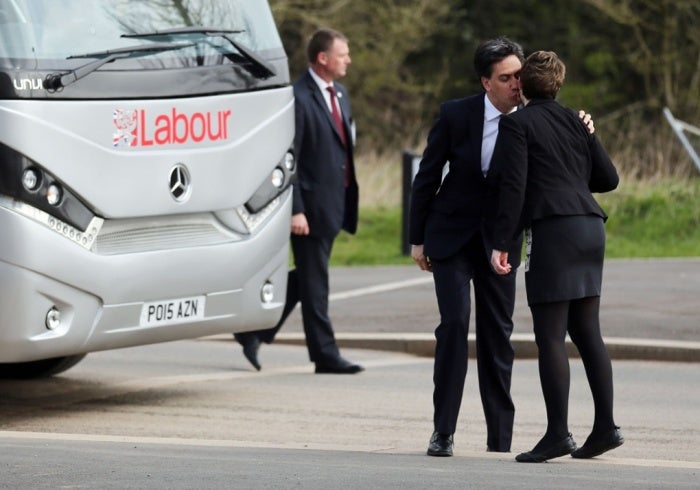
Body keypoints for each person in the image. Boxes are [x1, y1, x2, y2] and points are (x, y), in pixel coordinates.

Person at [489, 50, 623, 463]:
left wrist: (503, 242)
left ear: (524, 85)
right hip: (590, 228)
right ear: (558, 85)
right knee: (588, 333)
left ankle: (558, 435)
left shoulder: (516, 125)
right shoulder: (576, 121)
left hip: (555, 232)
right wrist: (588, 137)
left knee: (550, 337)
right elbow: (609, 179)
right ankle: (605, 428)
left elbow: (514, 187)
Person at [408, 37, 526, 457]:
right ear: (486, 82)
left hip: (502, 243)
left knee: (498, 336)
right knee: (454, 326)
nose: (516, 84)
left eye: (519, 75)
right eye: (506, 78)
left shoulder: (533, 120)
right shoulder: (456, 114)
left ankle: (500, 441)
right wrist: (417, 237)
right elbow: (427, 176)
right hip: (451, 236)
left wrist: (584, 124)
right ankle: (443, 432)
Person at [234, 28, 363, 375]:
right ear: (323, 58)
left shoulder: (341, 94)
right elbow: (289, 157)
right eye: (343, 54)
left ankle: (254, 331)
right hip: (310, 207)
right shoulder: (298, 97)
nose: (348, 59)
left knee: (309, 276)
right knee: (316, 283)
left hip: (335, 201)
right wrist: (297, 209)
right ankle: (325, 355)